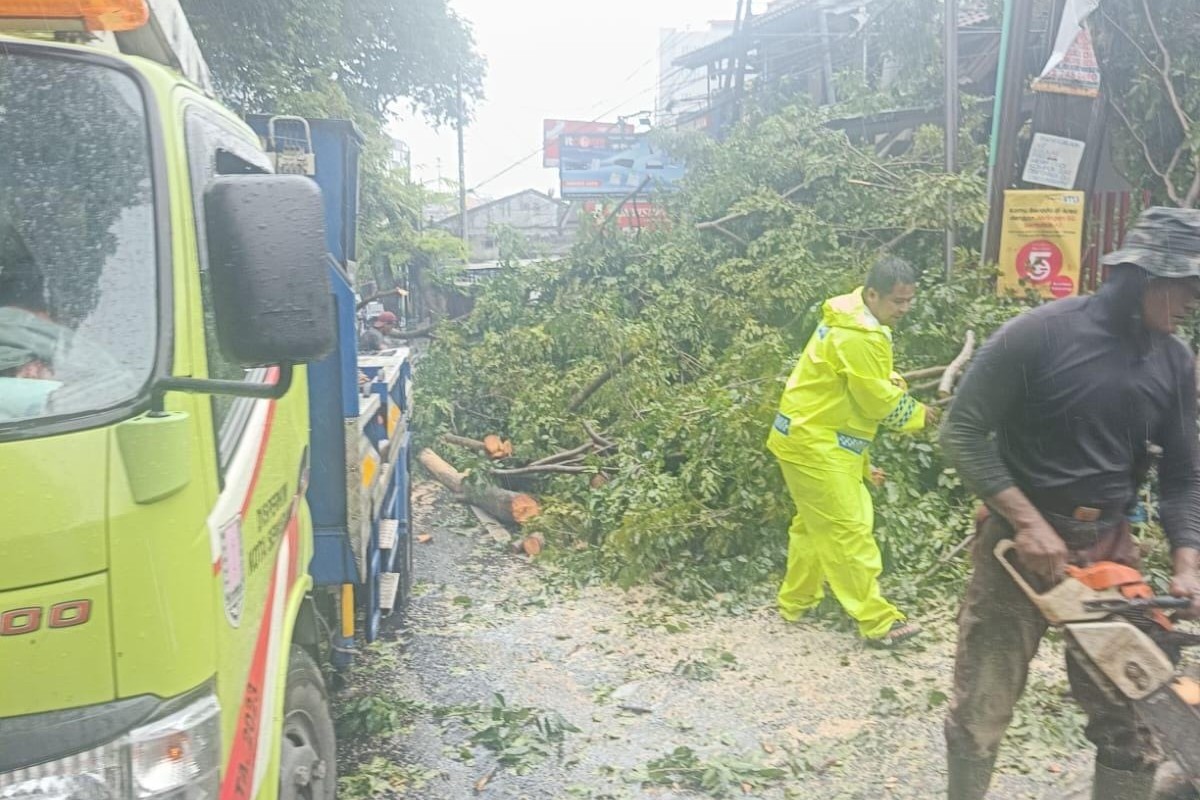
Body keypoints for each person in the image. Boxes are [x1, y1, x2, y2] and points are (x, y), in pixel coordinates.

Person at [941, 207, 1200, 800]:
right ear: (1145, 276)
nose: (1193, 302)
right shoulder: (1039, 334)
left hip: (1108, 552)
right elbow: (962, 431)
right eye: (1187, 286)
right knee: (981, 706)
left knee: (1133, 716)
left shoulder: (1174, 360)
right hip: (1018, 553)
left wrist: (1188, 563)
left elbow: (1183, 476)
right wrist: (1027, 522)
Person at [766, 256, 939, 647]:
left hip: (814, 437)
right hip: (814, 442)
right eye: (898, 301)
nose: (905, 309)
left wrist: (862, 463)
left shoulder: (855, 320)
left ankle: (796, 602)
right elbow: (875, 402)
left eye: (909, 300)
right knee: (848, 530)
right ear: (873, 294)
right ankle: (878, 622)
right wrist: (918, 414)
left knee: (814, 526)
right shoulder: (858, 335)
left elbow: (843, 398)